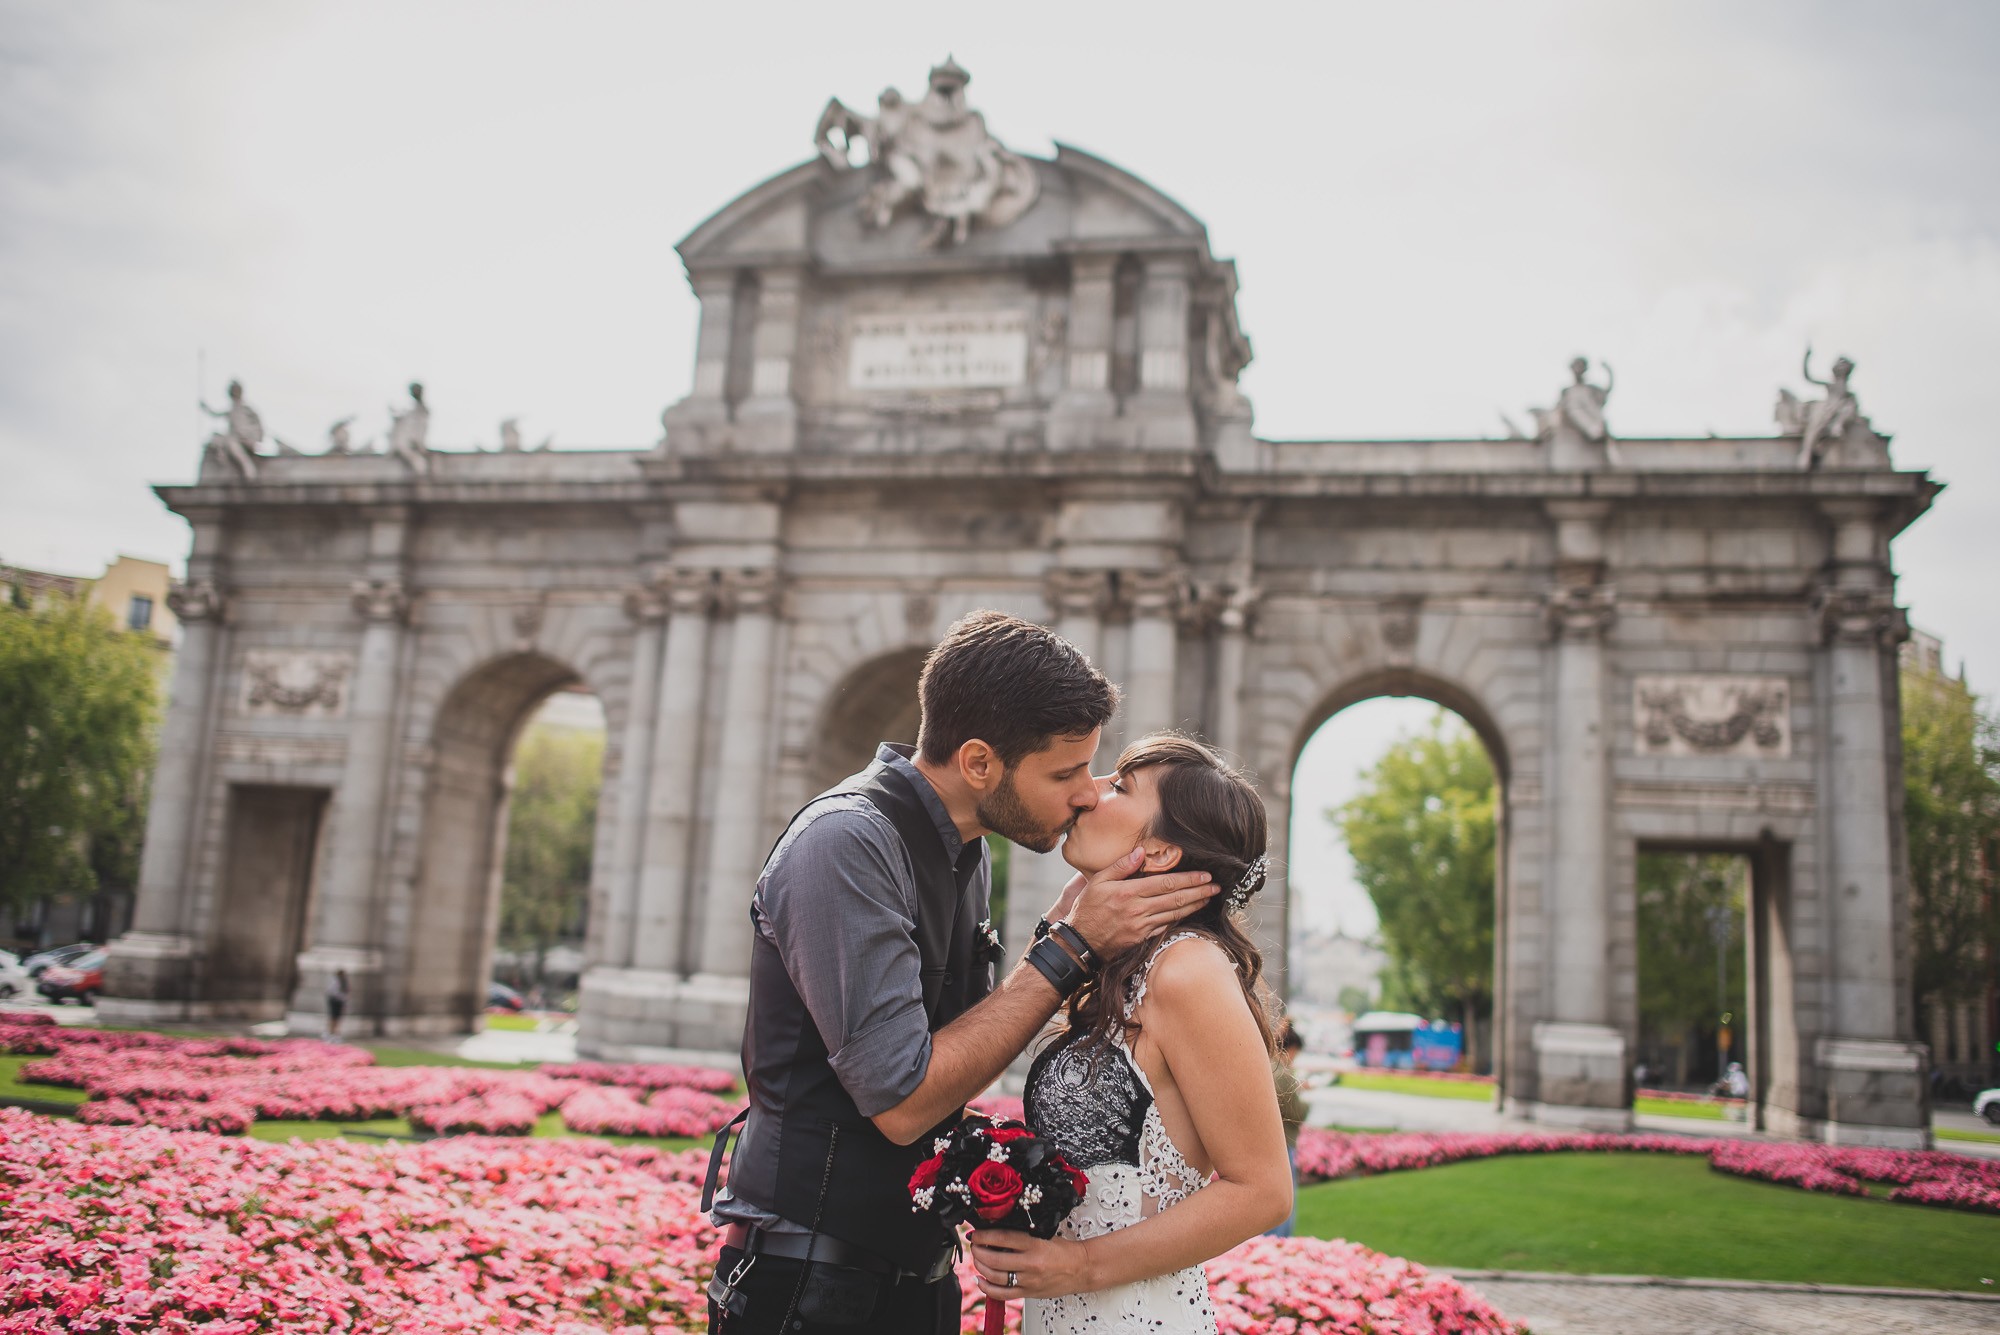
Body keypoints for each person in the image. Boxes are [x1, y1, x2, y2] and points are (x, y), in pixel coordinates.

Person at [705, 612, 1220, 1335]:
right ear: (979, 763)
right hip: (810, 1284)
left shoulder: (964, 850)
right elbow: (903, 1097)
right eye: (1065, 771)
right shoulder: (847, 841)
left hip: (910, 1274)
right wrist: (1070, 947)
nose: (1085, 794)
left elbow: (954, 1051)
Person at [969, 733, 1293, 1334]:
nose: (1088, 792)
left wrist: (1080, 1264)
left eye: (1119, 787)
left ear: (1163, 852)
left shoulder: (1188, 970)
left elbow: (1264, 1191)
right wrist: (1061, 935)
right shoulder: (1118, 967)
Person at [1265, 1018, 1309, 1238]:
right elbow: (1297, 1113)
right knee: (1283, 1204)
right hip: (1284, 1143)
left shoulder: (1266, 1068)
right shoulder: (1284, 1075)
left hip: (1266, 1144)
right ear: (1291, 1049)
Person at [325, 968, 349, 1040]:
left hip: (339, 1002)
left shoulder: (343, 982)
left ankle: (335, 1033)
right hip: (335, 1001)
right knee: (333, 1018)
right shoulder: (335, 981)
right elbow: (333, 992)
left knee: (337, 1018)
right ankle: (331, 1033)